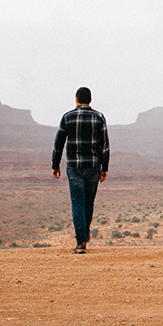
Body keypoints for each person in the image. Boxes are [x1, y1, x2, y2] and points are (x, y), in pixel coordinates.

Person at [51, 86, 109, 254]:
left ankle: (81, 241)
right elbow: (104, 145)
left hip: (74, 167)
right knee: (88, 202)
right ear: (90, 100)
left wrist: (55, 165)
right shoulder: (99, 117)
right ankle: (84, 233)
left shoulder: (67, 117)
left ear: (76, 99)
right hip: (93, 166)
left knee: (78, 203)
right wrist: (105, 167)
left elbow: (58, 144)